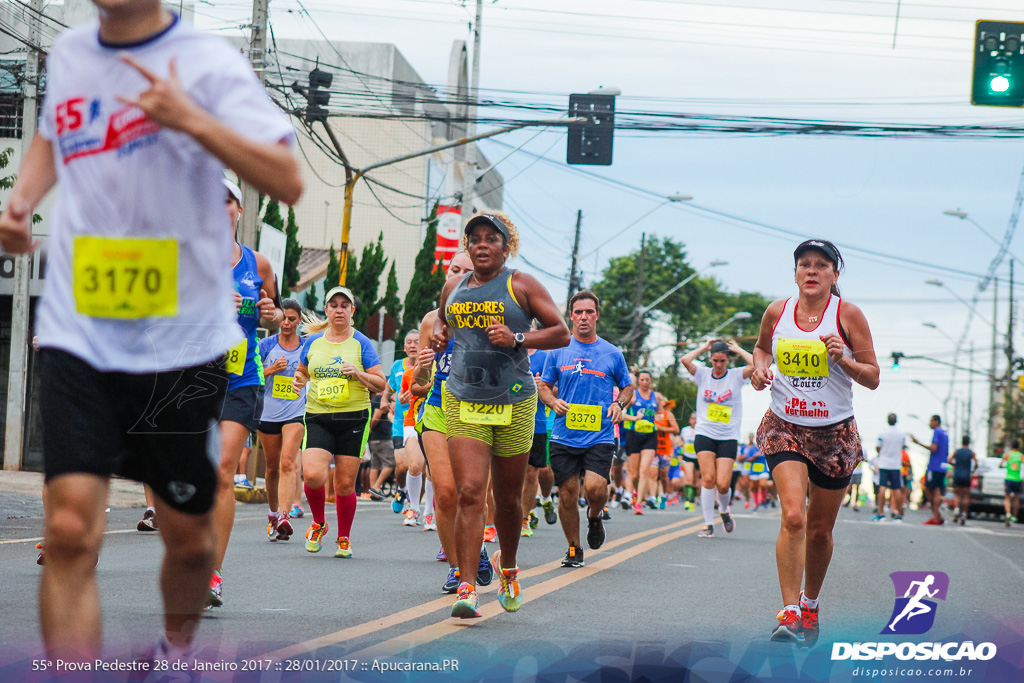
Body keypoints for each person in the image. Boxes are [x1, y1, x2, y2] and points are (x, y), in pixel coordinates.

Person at [0, 0, 302, 661]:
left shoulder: (208, 63)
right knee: (73, 527)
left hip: (182, 347)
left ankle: (175, 650)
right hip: (78, 331)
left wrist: (188, 117)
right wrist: (21, 201)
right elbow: (53, 136)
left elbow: (287, 177)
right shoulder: (75, 54)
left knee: (189, 541)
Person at [432, 212, 569, 618]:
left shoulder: (520, 284)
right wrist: (441, 336)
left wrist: (518, 337)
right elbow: (442, 326)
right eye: (475, 238)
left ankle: (508, 567)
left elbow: (559, 331)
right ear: (467, 246)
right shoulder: (452, 287)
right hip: (463, 397)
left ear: (505, 247)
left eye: (491, 238)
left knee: (507, 498)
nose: (482, 244)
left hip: (513, 400)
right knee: (471, 491)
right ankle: (468, 586)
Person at [751, 239, 879, 647]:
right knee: (793, 517)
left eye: (820, 265)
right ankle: (788, 612)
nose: (811, 271)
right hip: (785, 424)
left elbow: (873, 376)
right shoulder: (777, 311)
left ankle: (810, 604)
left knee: (820, 531)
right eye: (804, 264)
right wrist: (759, 370)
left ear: (834, 275)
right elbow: (760, 349)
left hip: (834, 434)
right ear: (795, 273)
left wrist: (843, 358)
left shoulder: (848, 314)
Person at [208, 178, 282, 609]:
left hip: (240, 376)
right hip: (191, 375)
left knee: (221, 471)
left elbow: (271, 314)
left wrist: (269, 313)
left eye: (227, 201)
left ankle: (212, 574)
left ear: (239, 210)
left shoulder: (259, 263)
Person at [412, 251, 493, 593]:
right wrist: (425, 364)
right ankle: (459, 568)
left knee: (470, 493)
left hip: (476, 411)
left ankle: (477, 548)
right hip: (437, 409)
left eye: (467, 271)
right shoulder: (432, 320)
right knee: (445, 494)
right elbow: (418, 381)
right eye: (453, 270)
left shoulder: (492, 317)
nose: (458, 276)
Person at [538, 290, 633, 568]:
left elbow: (627, 387)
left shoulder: (612, 353)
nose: (583, 317)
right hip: (564, 433)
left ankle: (595, 516)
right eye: (578, 312)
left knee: (594, 488)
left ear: (597, 316)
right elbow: (543, 385)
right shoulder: (558, 349)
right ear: (571, 315)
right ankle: (573, 549)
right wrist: (553, 401)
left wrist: (619, 404)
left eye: (588, 312)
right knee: (567, 492)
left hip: (599, 434)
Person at [292, 286, 387, 558]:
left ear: (352, 311)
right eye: (333, 305)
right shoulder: (312, 342)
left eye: (344, 305)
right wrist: (300, 380)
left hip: (353, 418)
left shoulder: (361, 343)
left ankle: (343, 538)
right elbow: (302, 371)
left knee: (345, 485)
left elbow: (380, 383)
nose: (338, 309)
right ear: (326, 310)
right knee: (312, 475)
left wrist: (358, 373)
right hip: (318, 416)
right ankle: (319, 522)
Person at [680, 338, 754, 538]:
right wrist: (704, 347)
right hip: (704, 433)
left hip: (728, 436)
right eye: (715, 360)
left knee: (723, 484)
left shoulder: (737, 376)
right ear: (710, 359)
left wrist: (737, 348)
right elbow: (685, 360)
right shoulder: (703, 374)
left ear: (728, 360)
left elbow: (755, 364)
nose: (719, 365)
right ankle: (708, 524)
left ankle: (724, 510)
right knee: (708, 479)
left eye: (722, 361)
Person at [257, 298, 308, 542]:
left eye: (291, 318)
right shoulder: (266, 345)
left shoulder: (307, 346)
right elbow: (251, 374)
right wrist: (270, 370)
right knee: (271, 468)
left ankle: (286, 516)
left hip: (295, 411)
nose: (286, 323)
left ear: (299, 320)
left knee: (288, 462)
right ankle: (273, 515)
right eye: (283, 318)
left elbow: (316, 372)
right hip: (267, 413)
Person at [377, 331, 419, 499]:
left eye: (417, 342)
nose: (412, 345)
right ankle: (402, 490)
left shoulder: (428, 367)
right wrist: (384, 399)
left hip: (421, 423)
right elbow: (389, 386)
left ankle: (412, 505)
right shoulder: (397, 366)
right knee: (402, 466)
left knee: (417, 467)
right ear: (404, 347)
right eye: (409, 342)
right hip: (401, 423)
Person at [621, 370, 661, 514]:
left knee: (645, 469)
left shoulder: (656, 397)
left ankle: (638, 504)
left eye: (647, 380)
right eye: (642, 380)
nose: (645, 382)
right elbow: (621, 413)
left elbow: (660, 414)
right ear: (638, 381)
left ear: (651, 381)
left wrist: (660, 419)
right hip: (634, 435)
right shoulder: (633, 396)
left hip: (650, 435)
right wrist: (634, 418)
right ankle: (636, 493)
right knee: (635, 473)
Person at [911, 415, 949, 526]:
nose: (929, 423)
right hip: (942, 466)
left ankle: (935, 516)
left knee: (931, 490)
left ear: (936, 422)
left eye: (931, 421)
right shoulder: (945, 433)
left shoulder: (937, 432)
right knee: (934, 489)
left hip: (935, 466)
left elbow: (934, 448)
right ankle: (938, 516)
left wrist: (918, 443)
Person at [873, 413, 905, 522]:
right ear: (896, 421)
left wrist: (883, 453)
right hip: (896, 464)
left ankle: (881, 513)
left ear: (887, 421)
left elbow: (878, 448)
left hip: (884, 463)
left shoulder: (882, 433)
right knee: (896, 489)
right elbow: (902, 446)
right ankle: (899, 514)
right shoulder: (901, 434)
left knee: (882, 487)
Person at [949, 435, 977, 526]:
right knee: (965, 495)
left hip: (957, 475)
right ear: (968, 443)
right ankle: (964, 514)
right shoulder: (971, 453)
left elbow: (949, 460)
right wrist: (972, 470)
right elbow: (976, 464)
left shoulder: (957, 451)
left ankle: (956, 510)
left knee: (956, 494)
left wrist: (955, 465)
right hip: (966, 475)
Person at [1000, 440, 1022, 527]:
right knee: (1016, 498)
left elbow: (1000, 465)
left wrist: (1004, 466)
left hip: (1009, 478)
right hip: (1017, 479)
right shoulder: (1021, 456)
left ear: (1011, 446)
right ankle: (1014, 516)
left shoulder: (1007, 455)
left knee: (1007, 498)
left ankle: (1008, 513)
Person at [679, 412, 698, 510]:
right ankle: (687, 499)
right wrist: (681, 444)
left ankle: (692, 499)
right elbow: (680, 440)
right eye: (692, 418)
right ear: (690, 420)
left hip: (698, 457)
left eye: (696, 418)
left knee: (695, 481)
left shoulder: (701, 430)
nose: (694, 420)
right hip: (687, 456)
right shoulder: (685, 430)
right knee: (689, 477)